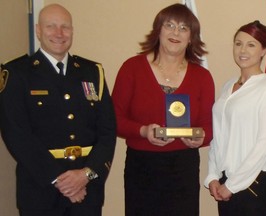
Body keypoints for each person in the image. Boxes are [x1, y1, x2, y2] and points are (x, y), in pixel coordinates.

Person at [0, 4, 116, 216]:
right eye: (51, 26)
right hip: (39, 190)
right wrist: (60, 180)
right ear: (38, 30)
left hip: (87, 190)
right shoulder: (17, 73)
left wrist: (86, 175)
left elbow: (107, 132)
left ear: (72, 30)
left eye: (65, 27)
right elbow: (16, 134)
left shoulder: (92, 72)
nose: (59, 33)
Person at [112, 3, 214, 216]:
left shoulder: (202, 77)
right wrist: (143, 131)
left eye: (184, 28)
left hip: (183, 168)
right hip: (142, 167)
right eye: (170, 25)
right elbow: (114, 119)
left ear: (191, 37)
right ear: (158, 30)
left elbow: (209, 127)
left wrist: (201, 137)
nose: (176, 32)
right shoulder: (132, 68)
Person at [204, 20, 266, 216]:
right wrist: (213, 176)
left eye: (251, 45)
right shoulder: (228, 86)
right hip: (226, 181)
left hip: (254, 184)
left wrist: (232, 185)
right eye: (238, 43)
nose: (243, 50)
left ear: (264, 50)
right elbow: (219, 136)